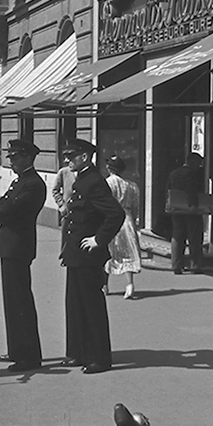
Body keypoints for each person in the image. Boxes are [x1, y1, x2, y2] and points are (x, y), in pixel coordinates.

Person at [59, 139, 125, 374]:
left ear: (85, 157)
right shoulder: (84, 179)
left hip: (88, 255)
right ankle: (78, 353)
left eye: (72, 156)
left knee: (91, 306)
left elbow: (115, 214)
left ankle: (98, 358)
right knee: (75, 305)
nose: (67, 160)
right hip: (77, 254)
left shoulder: (94, 181)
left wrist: (99, 239)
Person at [0, 140, 46, 371]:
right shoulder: (21, 182)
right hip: (11, 247)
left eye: (14, 157)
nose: (11, 161)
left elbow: (5, 210)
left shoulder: (32, 184)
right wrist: (0, 210)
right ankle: (17, 349)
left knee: (20, 301)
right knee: (12, 302)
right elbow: (0, 208)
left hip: (18, 247)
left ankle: (29, 356)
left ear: (27, 158)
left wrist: (0, 210)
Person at [104, 156, 141, 299]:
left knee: (107, 251)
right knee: (128, 252)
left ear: (109, 168)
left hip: (111, 219)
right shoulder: (132, 186)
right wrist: (134, 220)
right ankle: (130, 284)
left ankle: (104, 285)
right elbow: (136, 207)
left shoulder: (107, 184)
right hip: (127, 219)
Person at [166, 152, 206, 274]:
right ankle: (195, 265)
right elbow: (191, 190)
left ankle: (176, 265)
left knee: (177, 236)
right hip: (190, 210)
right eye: (198, 164)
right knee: (194, 237)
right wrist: (193, 205)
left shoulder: (173, 173)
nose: (199, 167)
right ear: (192, 162)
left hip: (176, 209)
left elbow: (168, 189)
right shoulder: (191, 174)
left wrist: (169, 205)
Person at [52, 151, 75, 221]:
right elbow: (55, 190)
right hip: (67, 212)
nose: (68, 161)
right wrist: (61, 205)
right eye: (68, 159)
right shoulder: (64, 172)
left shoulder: (84, 174)